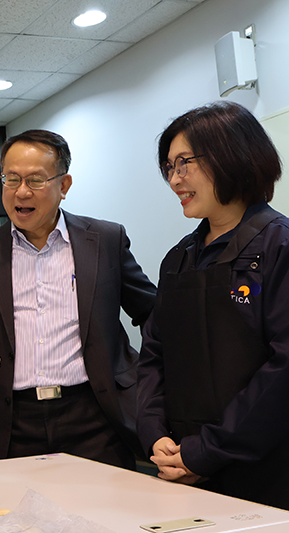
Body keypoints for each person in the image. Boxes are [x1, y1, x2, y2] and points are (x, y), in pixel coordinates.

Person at [0, 129, 156, 469]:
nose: (21, 191)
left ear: (64, 186)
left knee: (104, 515)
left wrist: (149, 381)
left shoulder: (104, 240)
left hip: (94, 414)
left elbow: (152, 312)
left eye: (35, 179)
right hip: (12, 418)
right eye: (11, 179)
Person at [138, 101, 289, 509]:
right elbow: (153, 356)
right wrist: (155, 435)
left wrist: (206, 452)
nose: (174, 179)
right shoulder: (179, 258)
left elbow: (282, 370)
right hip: (178, 465)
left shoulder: (279, 245)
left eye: (184, 163)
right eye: (169, 167)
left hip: (265, 472)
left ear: (233, 155)